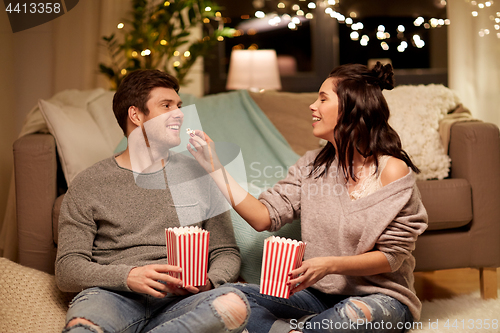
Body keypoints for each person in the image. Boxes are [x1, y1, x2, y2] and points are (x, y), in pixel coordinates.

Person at [187, 62, 428, 333]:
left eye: (323, 99)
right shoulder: (311, 165)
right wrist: (214, 167)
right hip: (317, 296)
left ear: (352, 108)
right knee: (228, 297)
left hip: (380, 297)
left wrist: (328, 265)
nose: (312, 106)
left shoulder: (391, 169)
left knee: (354, 315)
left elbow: (392, 257)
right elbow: (263, 217)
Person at [55, 69, 249, 333]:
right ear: (136, 115)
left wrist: (210, 282)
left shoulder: (201, 174)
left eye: (179, 106)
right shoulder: (89, 183)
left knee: (235, 306)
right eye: (166, 106)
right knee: (82, 330)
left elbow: (225, 251)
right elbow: (67, 269)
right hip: (112, 296)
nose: (179, 113)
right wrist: (129, 276)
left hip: (184, 300)